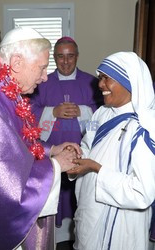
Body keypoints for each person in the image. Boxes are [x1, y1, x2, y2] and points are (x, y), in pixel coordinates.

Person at [0, 26, 81, 250]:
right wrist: (56, 167)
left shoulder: (5, 88)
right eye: (40, 68)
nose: (44, 77)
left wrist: (51, 150)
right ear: (17, 63)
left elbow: (16, 140)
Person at [67, 51, 155, 250]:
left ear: (129, 82)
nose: (100, 85)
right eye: (100, 78)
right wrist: (78, 156)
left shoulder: (145, 127)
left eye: (107, 78)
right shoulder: (101, 113)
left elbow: (142, 192)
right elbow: (89, 146)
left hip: (122, 223)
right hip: (90, 208)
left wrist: (96, 168)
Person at [30, 36, 103, 244]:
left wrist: (84, 111)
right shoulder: (42, 82)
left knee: (81, 195)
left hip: (82, 151)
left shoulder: (91, 82)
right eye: (60, 57)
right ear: (54, 58)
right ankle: (55, 237)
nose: (65, 61)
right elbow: (29, 112)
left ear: (77, 56)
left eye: (70, 56)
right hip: (53, 152)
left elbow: (102, 114)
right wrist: (53, 112)